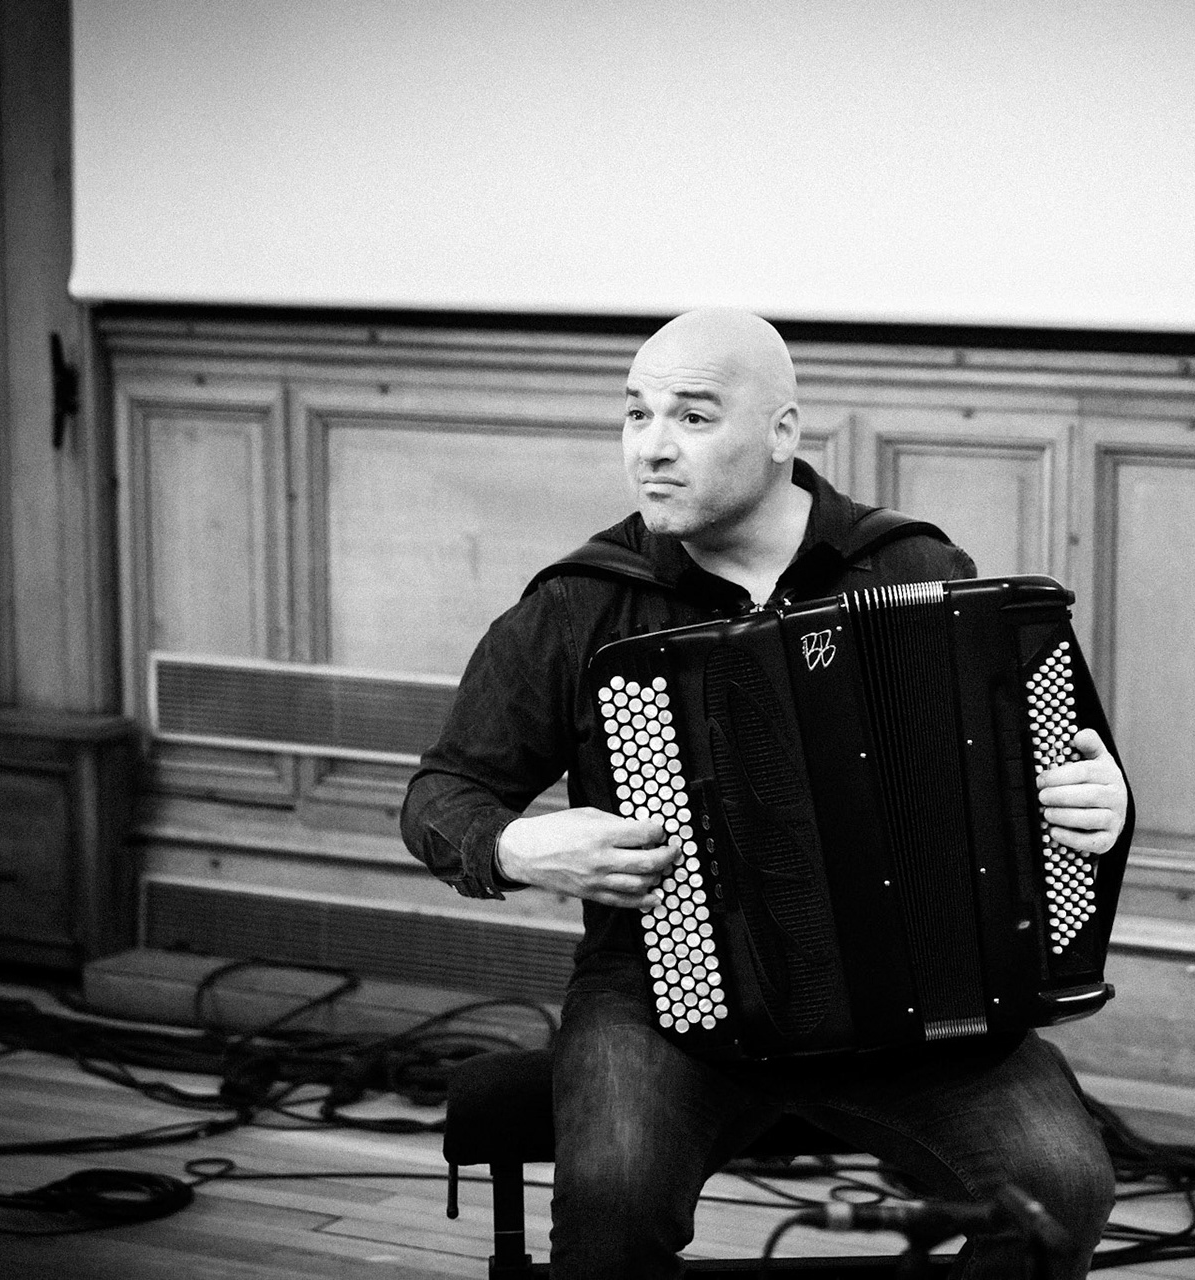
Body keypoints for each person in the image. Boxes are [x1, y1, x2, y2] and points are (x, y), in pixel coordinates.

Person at [403, 309, 1129, 1278]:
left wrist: (1101, 808)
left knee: (1062, 1188)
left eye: (692, 419)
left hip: (908, 1007)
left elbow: (1047, 783)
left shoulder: (911, 569)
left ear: (784, 433)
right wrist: (513, 848)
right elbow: (441, 792)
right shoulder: (584, 602)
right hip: (662, 998)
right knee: (611, 1209)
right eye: (635, 414)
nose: (651, 449)